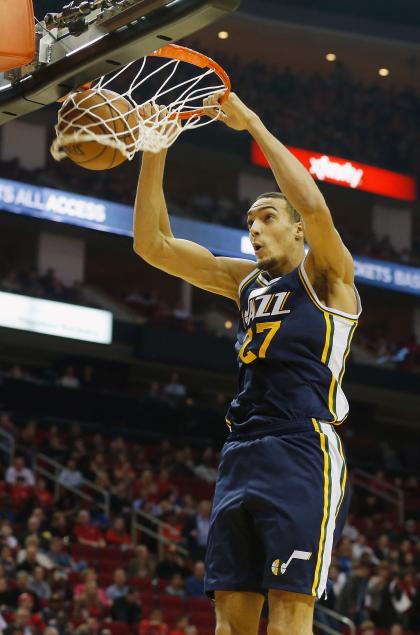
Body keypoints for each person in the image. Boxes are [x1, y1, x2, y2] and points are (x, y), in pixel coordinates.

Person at [133, 92, 361, 635]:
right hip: (241, 452)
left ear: (297, 232)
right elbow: (154, 244)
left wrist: (253, 123)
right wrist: (154, 149)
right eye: (249, 221)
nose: (254, 228)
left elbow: (315, 207)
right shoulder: (245, 283)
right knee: (230, 620)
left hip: (302, 447)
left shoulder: (328, 277)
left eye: (266, 217)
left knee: (288, 611)